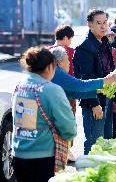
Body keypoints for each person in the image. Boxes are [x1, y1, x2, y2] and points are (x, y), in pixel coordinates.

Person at [12, 47, 77, 182]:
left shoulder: (20, 85)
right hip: (43, 158)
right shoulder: (51, 89)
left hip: (18, 154)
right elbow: (68, 128)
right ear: (49, 67)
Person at [73, 9, 116, 154]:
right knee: (94, 145)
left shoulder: (105, 43)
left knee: (106, 143)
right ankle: (88, 175)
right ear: (90, 25)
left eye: (105, 22)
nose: (103, 26)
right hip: (94, 103)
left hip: (107, 98)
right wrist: (94, 104)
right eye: (99, 23)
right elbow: (85, 79)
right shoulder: (84, 48)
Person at [49, 25, 77, 115]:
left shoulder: (45, 52)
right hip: (68, 93)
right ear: (65, 38)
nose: (70, 42)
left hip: (50, 93)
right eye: (70, 39)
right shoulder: (71, 52)